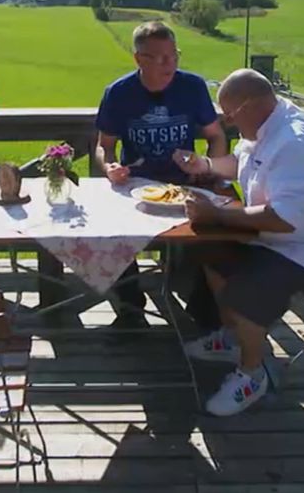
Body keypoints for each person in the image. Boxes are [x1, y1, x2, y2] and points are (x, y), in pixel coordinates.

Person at [172, 69, 304, 417]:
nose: (226, 122)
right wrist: (205, 164)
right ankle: (233, 338)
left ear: (250, 105)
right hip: (281, 239)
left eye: (229, 114)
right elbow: (239, 160)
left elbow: (282, 218)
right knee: (209, 251)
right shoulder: (265, 125)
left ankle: (253, 375)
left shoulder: (295, 142)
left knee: (245, 288)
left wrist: (217, 215)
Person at [93, 20, 228, 328]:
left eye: (174, 55)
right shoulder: (118, 93)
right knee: (113, 234)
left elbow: (217, 136)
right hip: (135, 186)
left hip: (184, 185)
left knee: (214, 238)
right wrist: (110, 166)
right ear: (140, 59)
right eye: (162, 57)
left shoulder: (192, 87)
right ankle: (130, 310)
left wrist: (210, 170)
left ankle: (204, 315)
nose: (171, 63)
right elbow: (105, 146)